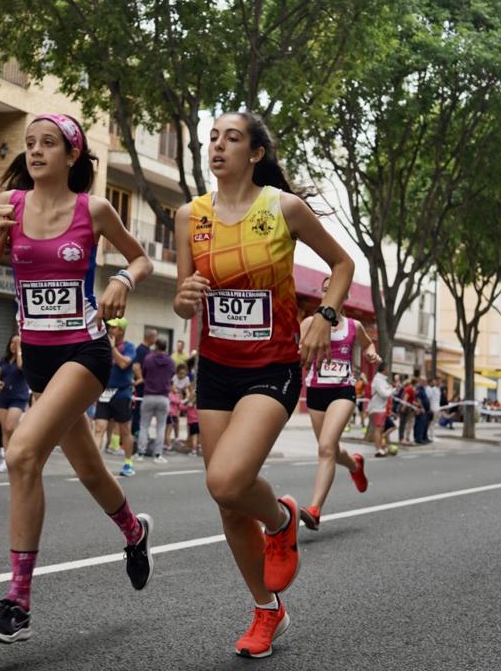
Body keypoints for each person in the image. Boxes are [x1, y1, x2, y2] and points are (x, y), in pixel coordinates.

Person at [173, 111, 354, 658]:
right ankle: (267, 610)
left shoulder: (283, 208)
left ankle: (281, 518)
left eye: (232, 138)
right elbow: (185, 297)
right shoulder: (189, 215)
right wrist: (184, 299)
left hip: (272, 365)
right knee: (228, 504)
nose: (218, 146)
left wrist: (324, 314)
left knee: (227, 482)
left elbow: (342, 264)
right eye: (212, 138)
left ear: (254, 154)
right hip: (217, 367)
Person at [0, 112, 154, 644]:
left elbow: (141, 260)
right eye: (29, 144)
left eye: (48, 143)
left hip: (86, 351)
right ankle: (134, 532)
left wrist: (121, 277)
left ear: (72, 156)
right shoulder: (10, 208)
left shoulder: (92, 210)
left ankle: (17, 605)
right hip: (39, 362)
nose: (35, 151)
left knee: (22, 453)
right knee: (92, 472)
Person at [297, 281, 374, 532]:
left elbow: (368, 344)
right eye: (326, 288)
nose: (331, 291)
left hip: (343, 391)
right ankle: (354, 464)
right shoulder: (309, 323)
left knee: (326, 448)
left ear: (345, 294)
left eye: (335, 287)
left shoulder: (354, 326)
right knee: (330, 449)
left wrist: (372, 353)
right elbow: (297, 353)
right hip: (316, 392)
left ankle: (315, 509)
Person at [94, 318, 138, 476]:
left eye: (113, 327)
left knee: (125, 430)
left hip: (122, 393)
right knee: (99, 428)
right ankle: (95, 465)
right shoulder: (104, 346)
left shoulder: (129, 347)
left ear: (121, 330)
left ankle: (128, 463)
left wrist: (113, 349)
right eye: (110, 327)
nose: (110, 330)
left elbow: (124, 364)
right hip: (104, 392)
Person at [0, 335, 32, 473]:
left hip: (19, 396)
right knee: (5, 429)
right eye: (12, 342)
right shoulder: (4, 360)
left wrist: (21, 349)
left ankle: (18, 454)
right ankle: (7, 460)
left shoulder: (23, 359)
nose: (14, 345)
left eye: (17, 343)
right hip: (4, 396)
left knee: (10, 427)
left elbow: (21, 367)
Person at [139, 338, 175, 462]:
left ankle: (140, 453)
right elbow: (171, 376)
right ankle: (158, 455)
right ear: (165, 347)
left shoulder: (148, 359)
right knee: (161, 427)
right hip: (163, 397)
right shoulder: (170, 361)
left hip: (148, 395)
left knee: (144, 425)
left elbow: (144, 374)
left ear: (155, 346)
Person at [367, 368, 392, 457]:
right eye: (387, 370)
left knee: (380, 429)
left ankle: (380, 448)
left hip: (381, 408)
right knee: (378, 429)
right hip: (378, 408)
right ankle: (378, 449)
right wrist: (392, 390)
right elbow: (384, 393)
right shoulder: (378, 380)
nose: (388, 371)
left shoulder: (380, 380)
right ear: (384, 370)